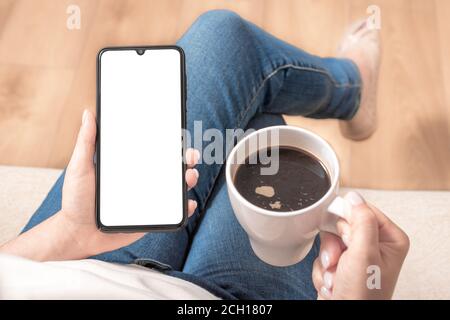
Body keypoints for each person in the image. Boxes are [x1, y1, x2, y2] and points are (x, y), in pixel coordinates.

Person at [0, 10, 409, 300]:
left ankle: (352, 89)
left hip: (64, 259)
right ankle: (351, 88)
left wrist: (68, 230)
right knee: (259, 125)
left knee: (224, 39)